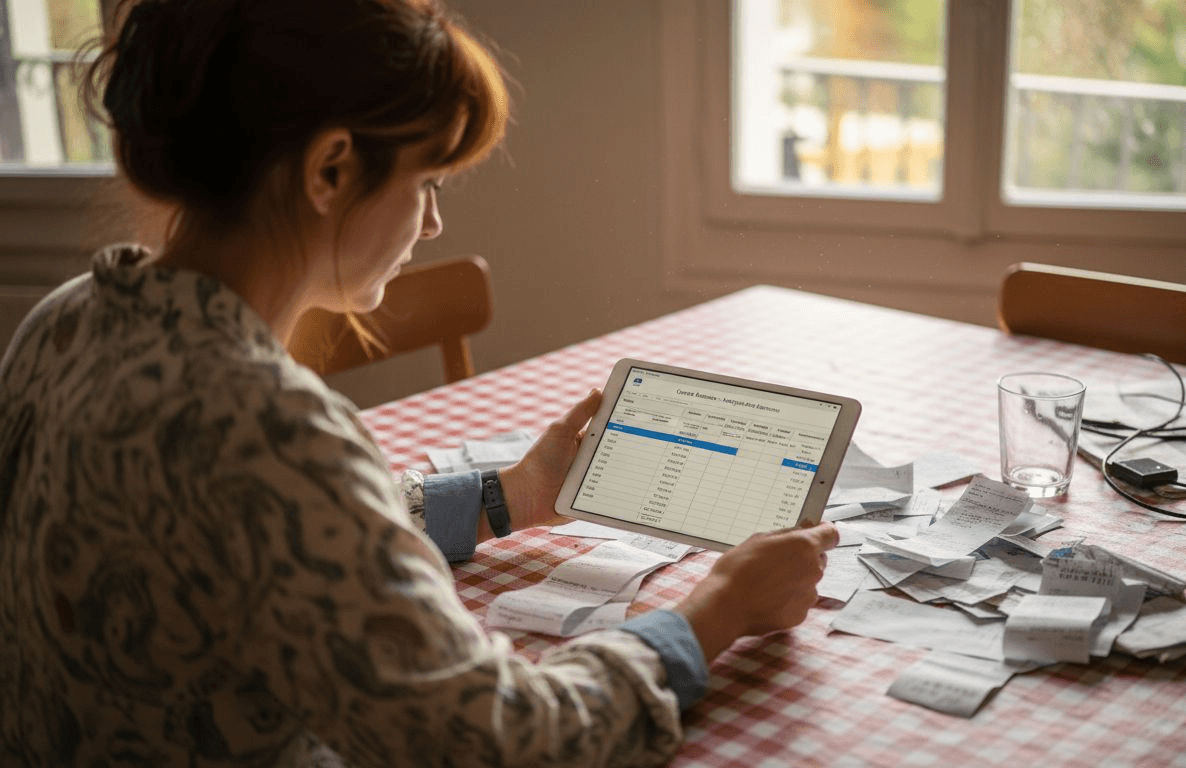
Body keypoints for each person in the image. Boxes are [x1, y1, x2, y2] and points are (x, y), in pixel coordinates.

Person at [0, 1, 838, 765]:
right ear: (330, 169)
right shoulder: (271, 427)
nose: (434, 222)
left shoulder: (67, 321)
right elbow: (502, 744)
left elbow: (264, 535)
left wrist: (508, 495)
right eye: (427, 182)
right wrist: (715, 610)